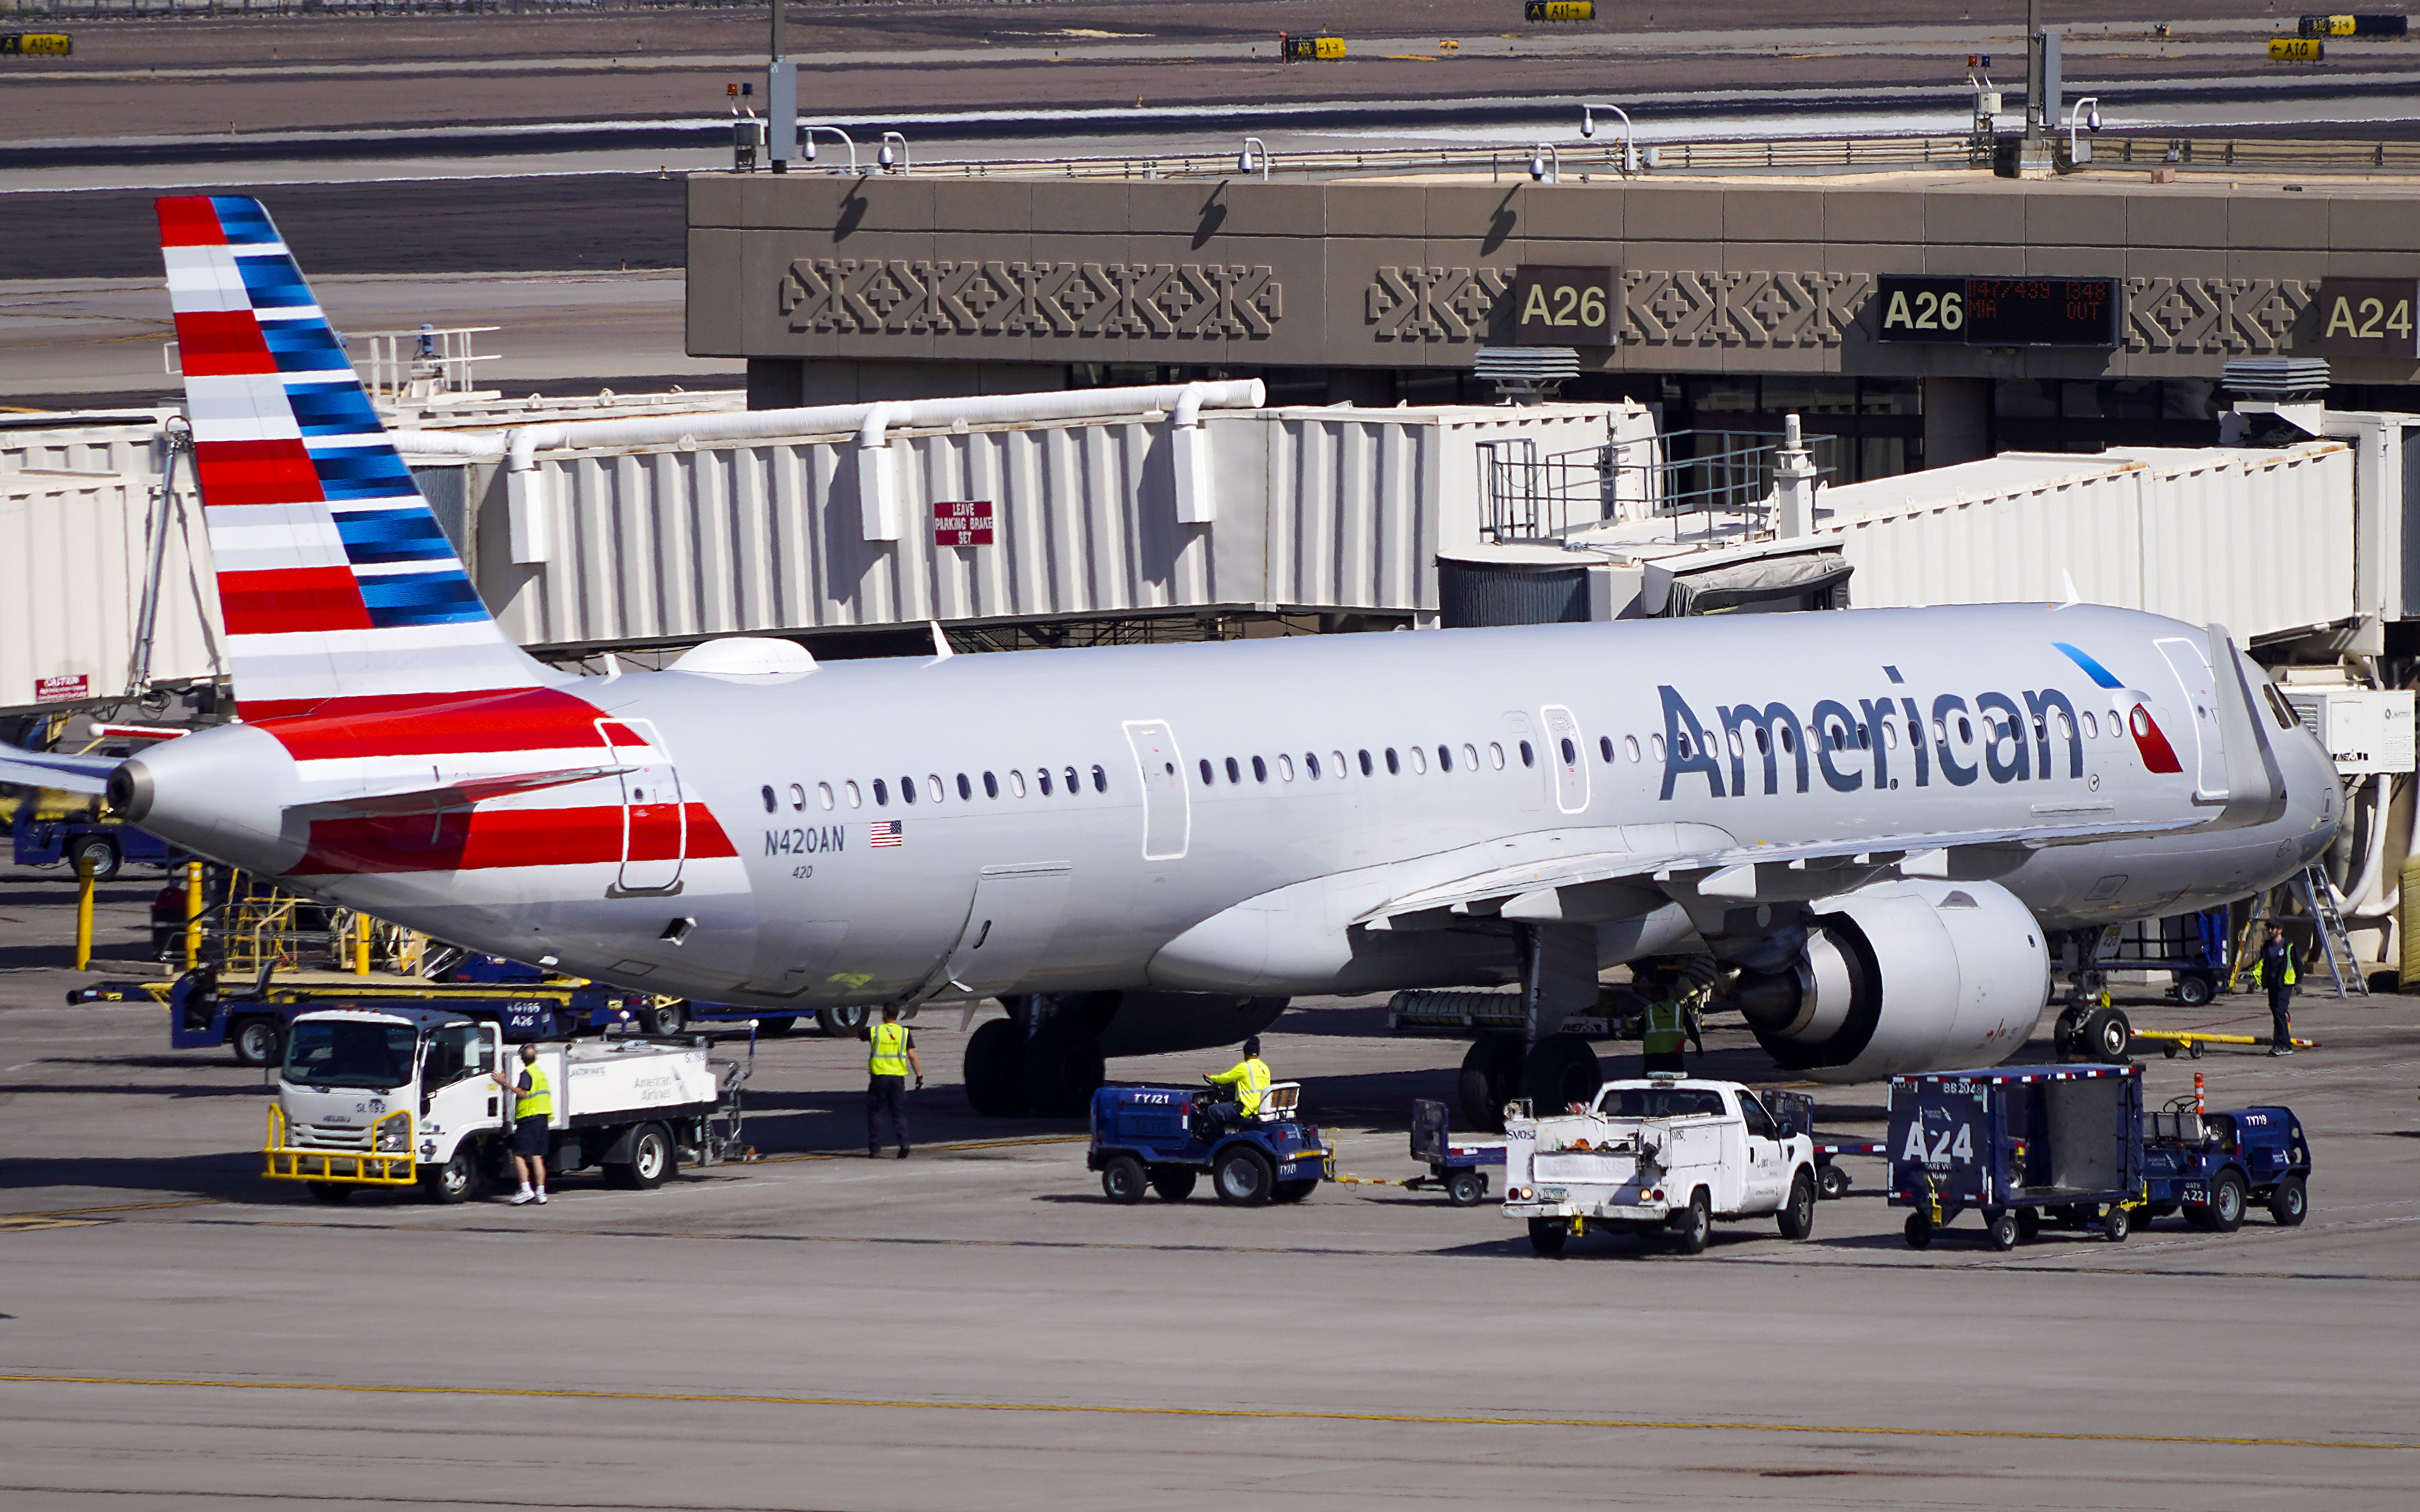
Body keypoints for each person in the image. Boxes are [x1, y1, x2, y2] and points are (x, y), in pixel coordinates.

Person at [492, 1042, 551, 1204]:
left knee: (518, 1154)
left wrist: (504, 1083)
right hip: (542, 1118)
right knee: (537, 1157)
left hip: (529, 1118)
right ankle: (541, 1193)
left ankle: (526, 1190)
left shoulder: (527, 1074)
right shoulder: (540, 1073)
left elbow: (523, 1093)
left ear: (522, 1059)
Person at [865, 1008, 922, 1158]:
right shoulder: (905, 1033)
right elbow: (912, 1055)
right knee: (898, 1113)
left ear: (884, 1014)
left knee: (875, 1113)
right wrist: (919, 1075)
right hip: (897, 1079)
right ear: (896, 1015)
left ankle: (876, 1149)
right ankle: (904, 1144)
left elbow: (856, 1033)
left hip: (880, 1077)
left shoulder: (876, 1031)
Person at [1198, 1035, 1271, 1139]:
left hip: (1245, 1109)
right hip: (1259, 1108)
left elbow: (1224, 1078)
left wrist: (1211, 1077)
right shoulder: (1264, 1068)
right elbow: (1253, 1083)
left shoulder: (1244, 1067)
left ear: (1245, 1053)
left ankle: (1216, 1140)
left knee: (1212, 1111)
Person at [2257, 922, 2298, 1057]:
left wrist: (2298, 983)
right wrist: (2259, 979)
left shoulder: (2288, 946)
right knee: (2276, 1013)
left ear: (2279, 930)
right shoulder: (2268, 946)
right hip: (2272, 984)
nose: (2270, 930)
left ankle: (2285, 1045)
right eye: (2269, 928)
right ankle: (2278, 1043)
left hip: (2285, 984)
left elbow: (2298, 965)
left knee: (2280, 1012)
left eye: (2272, 928)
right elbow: (2263, 964)